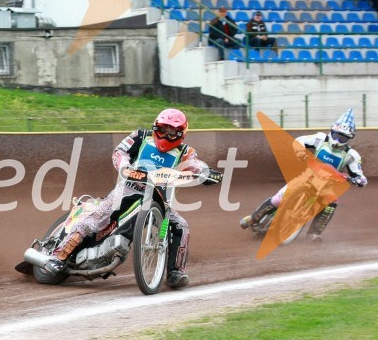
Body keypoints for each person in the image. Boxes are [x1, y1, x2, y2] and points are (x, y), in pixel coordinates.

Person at [42, 108, 221, 289]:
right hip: (127, 190)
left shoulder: (186, 152)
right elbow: (120, 151)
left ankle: (175, 272)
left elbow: (195, 165)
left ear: (181, 133)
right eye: (162, 129)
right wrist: (125, 165)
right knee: (95, 220)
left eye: (172, 131)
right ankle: (58, 257)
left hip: (160, 201)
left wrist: (206, 173)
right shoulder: (141, 136)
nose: (166, 135)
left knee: (181, 226)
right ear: (155, 126)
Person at [241, 109, 367, 241]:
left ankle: (314, 234)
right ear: (331, 131)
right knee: (278, 199)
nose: (337, 140)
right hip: (308, 176)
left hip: (326, 186)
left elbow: (359, 174)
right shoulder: (320, 138)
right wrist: (301, 152)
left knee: (331, 202)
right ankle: (253, 218)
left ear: (349, 139)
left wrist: (359, 179)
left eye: (343, 138)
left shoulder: (352, 156)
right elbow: (299, 140)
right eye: (336, 135)